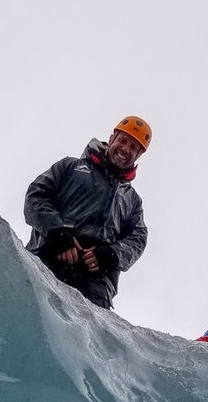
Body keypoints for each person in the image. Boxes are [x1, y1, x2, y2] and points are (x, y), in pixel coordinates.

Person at [24, 117, 151, 309]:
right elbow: (36, 195)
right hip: (48, 259)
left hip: (96, 287)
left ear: (139, 155)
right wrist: (57, 232)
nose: (126, 149)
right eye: (123, 140)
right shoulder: (70, 166)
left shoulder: (132, 201)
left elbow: (139, 238)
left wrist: (111, 254)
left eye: (134, 147)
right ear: (112, 138)